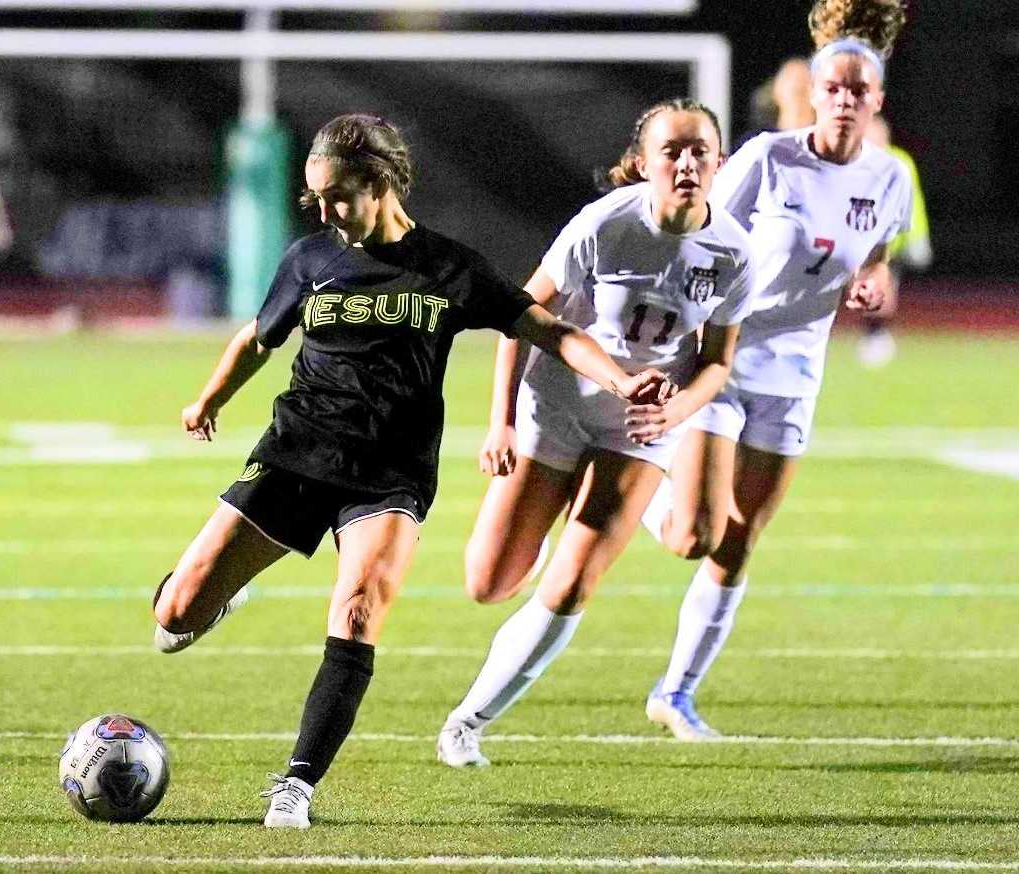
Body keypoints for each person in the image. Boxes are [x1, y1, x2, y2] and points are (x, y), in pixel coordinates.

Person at [150, 113, 672, 829]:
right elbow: (257, 338)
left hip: (390, 478)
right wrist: (208, 397)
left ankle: (297, 785)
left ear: (382, 182)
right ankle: (211, 597)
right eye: (316, 201)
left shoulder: (449, 267)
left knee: (359, 611)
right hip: (297, 454)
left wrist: (619, 380)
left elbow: (548, 330)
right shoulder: (311, 260)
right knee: (177, 612)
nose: (327, 213)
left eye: (339, 196)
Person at [434, 98, 755, 768]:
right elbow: (520, 314)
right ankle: (621, 507)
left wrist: (677, 411)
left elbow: (718, 360)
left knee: (574, 579)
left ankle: (467, 722)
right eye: (672, 150)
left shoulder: (731, 252)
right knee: (489, 582)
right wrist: (499, 421)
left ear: (720, 162)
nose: (687, 163)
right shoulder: (605, 225)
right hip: (556, 404)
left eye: (700, 150)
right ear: (643, 164)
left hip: (638, 427)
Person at [635, 0, 913, 740]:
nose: (846, 100)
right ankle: (650, 480)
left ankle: (676, 691)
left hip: (797, 371)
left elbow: (876, 258)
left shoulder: (891, 179)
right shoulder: (765, 159)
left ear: (878, 100)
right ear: (814, 93)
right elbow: (699, 240)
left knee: (739, 539)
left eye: (860, 90)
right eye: (835, 88)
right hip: (725, 353)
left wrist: (870, 285)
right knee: (690, 535)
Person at [858, 113, 933, 366]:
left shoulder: (899, 162)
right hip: (860, 241)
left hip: (893, 241)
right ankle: (872, 335)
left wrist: (917, 236)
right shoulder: (854, 162)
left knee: (884, 289)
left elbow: (914, 202)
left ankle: (878, 336)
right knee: (864, 288)